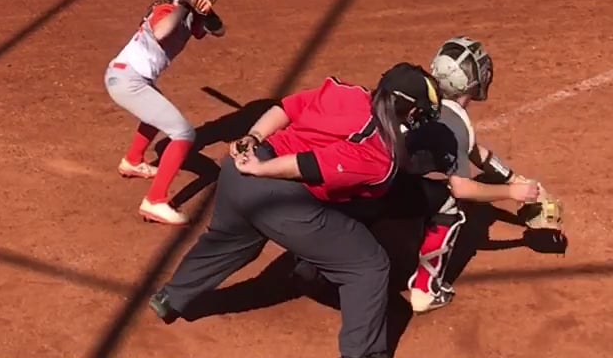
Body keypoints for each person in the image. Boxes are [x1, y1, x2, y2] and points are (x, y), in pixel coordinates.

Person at [147, 63, 447, 358]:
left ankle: (172, 297)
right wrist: (261, 169)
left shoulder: (346, 93)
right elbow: (308, 165)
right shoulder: (378, 152)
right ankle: (364, 354)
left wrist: (253, 138)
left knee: (230, 240)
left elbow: (286, 108)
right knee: (368, 267)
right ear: (409, 110)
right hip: (278, 194)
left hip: (237, 172)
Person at [399, 36, 551, 313]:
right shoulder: (455, 123)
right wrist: (512, 193)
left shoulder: (422, 96)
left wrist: (514, 179)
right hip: (389, 190)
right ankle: (425, 290)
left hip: (361, 179)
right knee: (449, 203)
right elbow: (463, 188)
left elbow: (473, 151)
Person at [103, 0, 227, 226]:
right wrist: (183, 4)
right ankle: (155, 201)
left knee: (155, 112)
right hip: (127, 81)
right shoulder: (165, 11)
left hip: (130, 78)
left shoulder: (187, 13)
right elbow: (161, 32)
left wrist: (205, 12)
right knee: (184, 133)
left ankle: (132, 161)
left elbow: (219, 31)